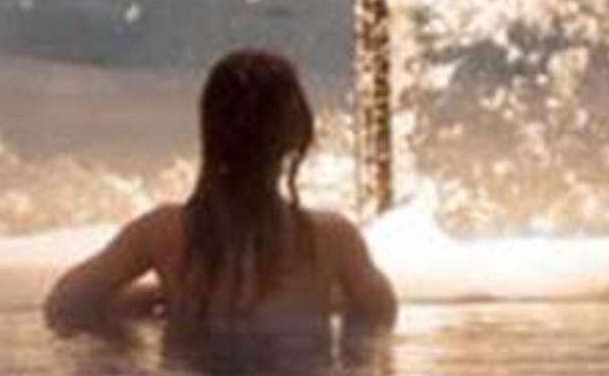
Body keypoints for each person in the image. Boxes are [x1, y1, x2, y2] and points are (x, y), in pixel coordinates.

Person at [43, 49, 398, 332]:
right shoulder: (331, 239)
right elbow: (381, 315)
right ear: (296, 136)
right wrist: (327, 297)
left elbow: (64, 305)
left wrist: (150, 298)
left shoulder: (164, 232)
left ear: (209, 131)